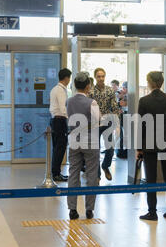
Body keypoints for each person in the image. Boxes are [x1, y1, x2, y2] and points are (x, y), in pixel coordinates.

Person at [137, 71, 166, 221]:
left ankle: (152, 212)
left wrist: (139, 148)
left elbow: (141, 126)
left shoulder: (144, 101)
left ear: (149, 83)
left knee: (151, 178)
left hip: (149, 144)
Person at [67, 72, 100, 220]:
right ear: (88, 86)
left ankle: (72, 209)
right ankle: (89, 209)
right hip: (89, 139)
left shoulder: (69, 101)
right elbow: (96, 120)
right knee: (92, 173)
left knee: (73, 172)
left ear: (74, 85)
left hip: (74, 138)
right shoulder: (91, 102)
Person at [89, 68, 120, 181]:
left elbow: (115, 107)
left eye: (102, 76)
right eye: (98, 76)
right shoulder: (91, 91)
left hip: (107, 122)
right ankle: (97, 175)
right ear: (95, 77)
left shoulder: (110, 90)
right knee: (95, 151)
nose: (101, 78)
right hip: (94, 124)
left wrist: (117, 124)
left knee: (110, 149)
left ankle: (105, 166)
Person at [49, 68, 71, 182]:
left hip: (55, 120)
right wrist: (69, 122)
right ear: (66, 78)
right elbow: (63, 108)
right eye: (69, 78)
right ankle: (56, 173)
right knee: (60, 148)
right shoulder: (61, 90)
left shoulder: (54, 89)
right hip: (60, 120)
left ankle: (56, 172)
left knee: (57, 147)